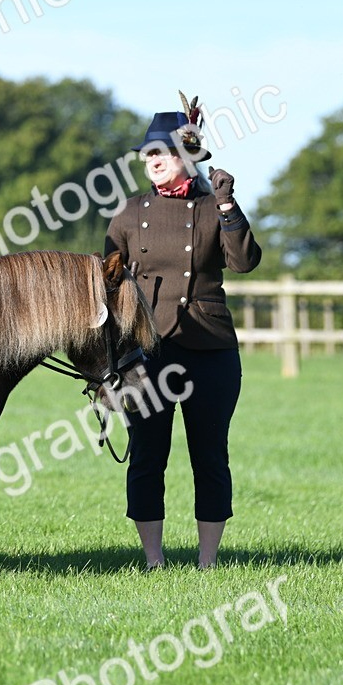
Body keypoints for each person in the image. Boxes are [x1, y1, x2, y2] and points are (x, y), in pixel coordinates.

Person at [104, 94, 261, 570]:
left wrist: (229, 203)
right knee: (148, 458)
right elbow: (109, 283)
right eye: (148, 154)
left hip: (209, 350)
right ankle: (154, 560)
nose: (152, 161)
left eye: (162, 153)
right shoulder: (130, 213)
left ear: (187, 156)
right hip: (148, 352)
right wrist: (111, 360)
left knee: (210, 457)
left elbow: (245, 261)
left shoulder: (215, 207)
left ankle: (207, 561)